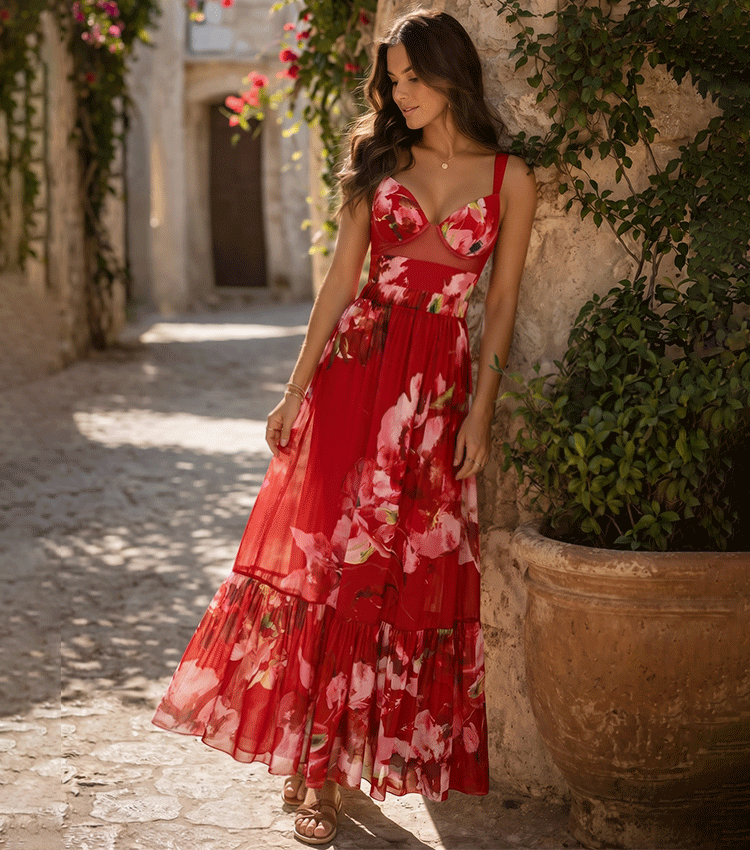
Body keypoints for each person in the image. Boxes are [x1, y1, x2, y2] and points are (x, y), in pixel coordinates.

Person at [152, 8, 536, 845]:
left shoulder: (510, 178)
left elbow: (502, 302)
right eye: (391, 81)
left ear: (450, 73)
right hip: (357, 377)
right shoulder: (380, 162)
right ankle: (317, 771)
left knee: (396, 578)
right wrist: (294, 391)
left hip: (435, 397)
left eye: (413, 78)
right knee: (331, 565)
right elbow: (338, 282)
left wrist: (482, 410)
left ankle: (342, 758)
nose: (400, 94)